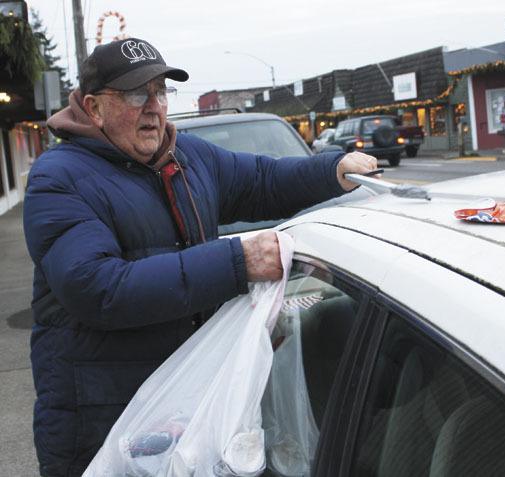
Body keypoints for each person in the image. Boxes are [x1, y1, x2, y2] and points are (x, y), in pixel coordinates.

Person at [22, 38, 378, 476]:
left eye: (160, 91)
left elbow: (262, 179)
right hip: (103, 420)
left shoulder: (186, 157)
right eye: (137, 94)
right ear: (94, 109)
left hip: (184, 405)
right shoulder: (59, 178)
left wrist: (332, 171)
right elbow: (98, 288)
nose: (153, 107)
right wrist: (236, 262)